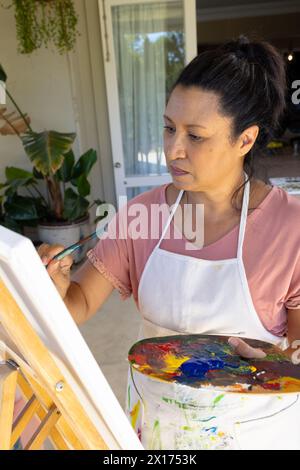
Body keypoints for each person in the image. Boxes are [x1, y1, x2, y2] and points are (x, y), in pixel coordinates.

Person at [38, 36, 300, 449]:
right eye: (169, 128)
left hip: (255, 434)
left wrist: (273, 362)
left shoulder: (291, 228)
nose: (173, 149)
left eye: (195, 136)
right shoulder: (144, 215)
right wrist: (55, 287)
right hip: (158, 432)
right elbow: (79, 303)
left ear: (245, 140)